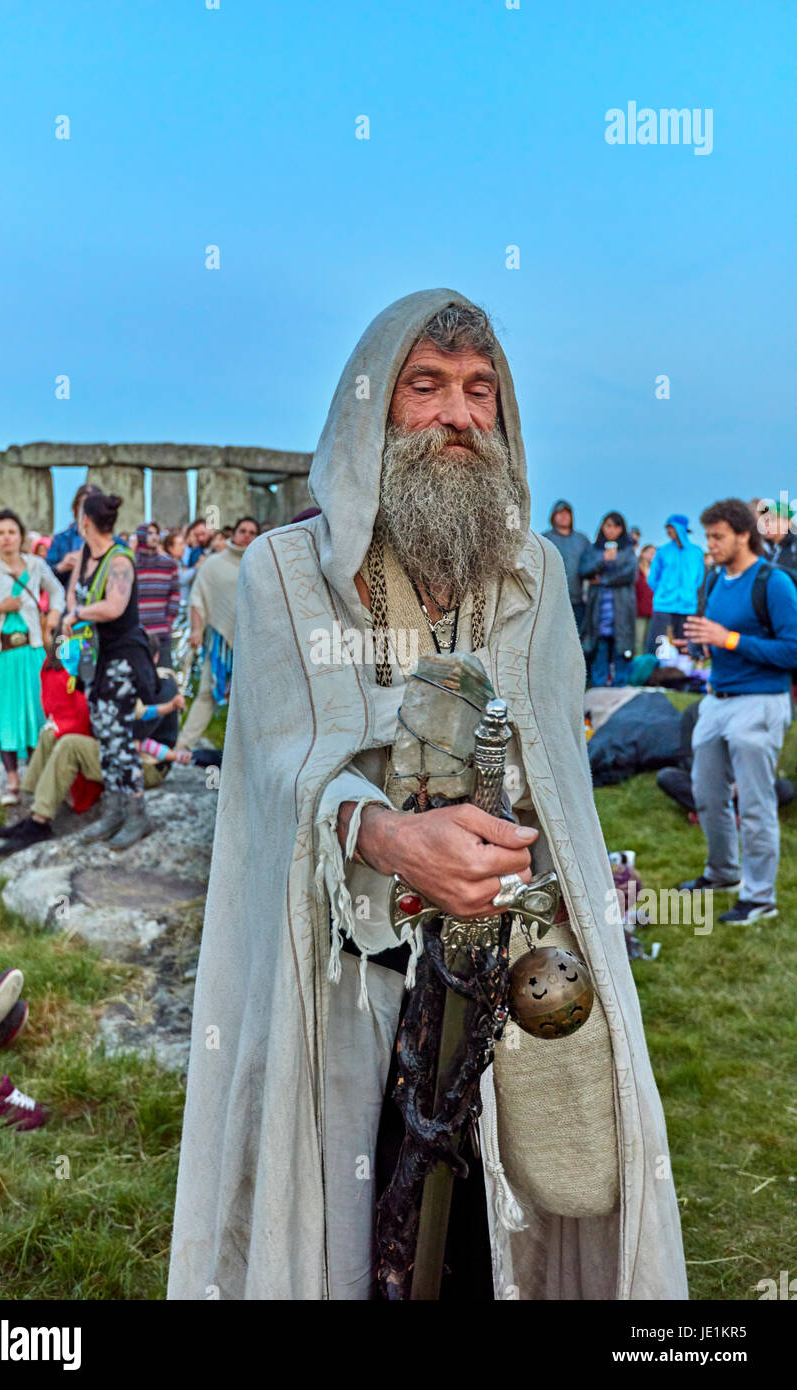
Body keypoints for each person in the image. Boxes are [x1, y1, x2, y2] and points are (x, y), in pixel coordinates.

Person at [168, 291, 686, 1302]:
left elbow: (561, 794)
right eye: (428, 385)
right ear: (374, 410)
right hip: (347, 986)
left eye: (479, 389)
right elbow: (278, 767)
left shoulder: (534, 584)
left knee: (494, 1256)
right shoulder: (282, 573)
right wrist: (388, 833)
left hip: (506, 995)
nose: (458, 413)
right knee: (358, 1245)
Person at [676, 498, 797, 925]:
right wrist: (700, 643)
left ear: (744, 534)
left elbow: (792, 650)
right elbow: (717, 633)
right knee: (707, 793)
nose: (710, 545)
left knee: (756, 804)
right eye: (707, 536)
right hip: (716, 699)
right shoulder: (713, 580)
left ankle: (760, 897)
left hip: (760, 703)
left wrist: (729, 640)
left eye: (717, 537)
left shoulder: (775, 583)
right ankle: (722, 873)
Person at [0, 637, 191, 857]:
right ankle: (30, 810)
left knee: (70, 744)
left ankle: (39, 823)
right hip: (121, 752)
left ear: (153, 658)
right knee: (51, 734)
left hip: (147, 766)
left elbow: (135, 730)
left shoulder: (163, 684)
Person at [61, 491, 158, 849]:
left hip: (121, 659)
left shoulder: (120, 561)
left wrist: (76, 615)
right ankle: (113, 811)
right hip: (95, 658)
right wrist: (74, 610)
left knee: (119, 738)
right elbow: (73, 593)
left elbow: (115, 607)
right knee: (105, 736)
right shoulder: (86, 553)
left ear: (84, 520)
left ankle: (137, 815)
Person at [0, 509, 63, 803]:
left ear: (21, 535)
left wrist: (54, 615)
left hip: (31, 653)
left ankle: (36, 777)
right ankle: (12, 782)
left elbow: (56, 592)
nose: (7, 538)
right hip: (0, 656)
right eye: (0, 533)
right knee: (5, 716)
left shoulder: (36, 565)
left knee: (36, 714)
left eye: (11, 532)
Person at [175, 516, 258, 750]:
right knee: (205, 693)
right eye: (242, 530)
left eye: (252, 532)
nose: (247, 536)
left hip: (253, 642)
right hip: (220, 641)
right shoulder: (214, 563)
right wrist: (196, 629)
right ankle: (182, 745)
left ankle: (248, 751)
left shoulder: (261, 562)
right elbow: (198, 597)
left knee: (251, 699)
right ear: (234, 533)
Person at [657, 700, 794, 821]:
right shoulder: (694, 712)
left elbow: (763, 759)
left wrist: (740, 783)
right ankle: (732, 817)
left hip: (744, 785)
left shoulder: (752, 713)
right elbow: (686, 757)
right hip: (708, 782)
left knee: (785, 788)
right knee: (667, 777)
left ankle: (714, 815)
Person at [579, 512, 637, 687]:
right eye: (608, 526)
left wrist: (603, 580)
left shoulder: (627, 550)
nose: (612, 530)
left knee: (622, 649)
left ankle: (620, 688)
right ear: (602, 527)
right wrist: (603, 560)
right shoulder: (594, 549)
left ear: (622, 529)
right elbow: (584, 570)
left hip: (622, 608)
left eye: (616, 526)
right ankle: (598, 686)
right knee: (600, 648)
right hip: (599, 608)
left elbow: (629, 574)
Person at [644, 513, 705, 655]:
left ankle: (683, 674)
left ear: (681, 528)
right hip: (664, 605)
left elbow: (699, 578)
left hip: (687, 605)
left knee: (684, 646)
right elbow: (653, 578)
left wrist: (688, 591)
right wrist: (663, 591)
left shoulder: (696, 552)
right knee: (658, 645)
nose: (668, 531)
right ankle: (653, 673)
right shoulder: (662, 551)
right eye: (667, 528)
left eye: (671, 527)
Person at [134, 522, 180, 667]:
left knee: (164, 678)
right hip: (137, 633)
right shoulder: (130, 564)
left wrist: (168, 621)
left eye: (156, 533)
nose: (154, 537)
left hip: (161, 632)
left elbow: (175, 595)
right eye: (149, 533)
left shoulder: (169, 564)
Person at [543, 499, 589, 631]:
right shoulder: (544, 539)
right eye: (559, 513)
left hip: (578, 600)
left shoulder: (582, 540)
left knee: (576, 638)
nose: (563, 516)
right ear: (553, 516)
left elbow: (591, 564)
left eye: (567, 513)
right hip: (552, 601)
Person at [46, 483, 100, 584]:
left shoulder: (115, 542)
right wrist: (61, 567)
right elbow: (43, 575)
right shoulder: (60, 539)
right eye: (84, 505)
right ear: (76, 508)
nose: (88, 510)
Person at [635, 543, 656, 653]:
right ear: (643, 553)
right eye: (650, 552)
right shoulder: (636, 571)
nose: (653, 555)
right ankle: (638, 664)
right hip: (639, 612)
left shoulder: (655, 571)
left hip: (653, 611)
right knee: (638, 640)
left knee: (650, 640)